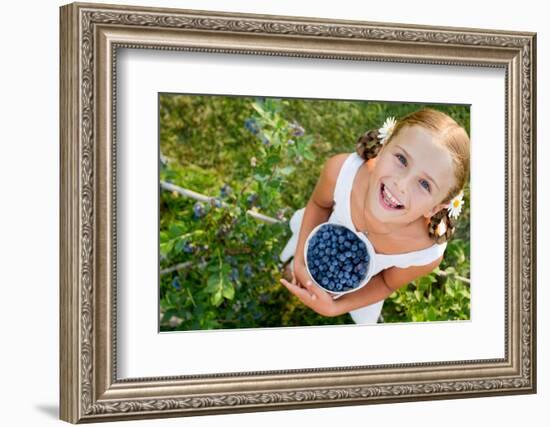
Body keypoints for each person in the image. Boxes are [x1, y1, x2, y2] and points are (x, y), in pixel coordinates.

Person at [279, 108, 470, 323]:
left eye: (425, 184)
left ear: (435, 208)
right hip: (316, 241)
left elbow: (386, 283)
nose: (401, 183)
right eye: (401, 159)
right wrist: (300, 263)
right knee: (298, 262)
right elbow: (318, 205)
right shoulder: (341, 173)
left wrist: (335, 307)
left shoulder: (424, 252)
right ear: (383, 148)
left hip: (360, 289)